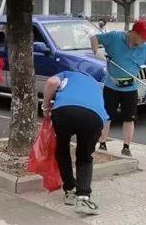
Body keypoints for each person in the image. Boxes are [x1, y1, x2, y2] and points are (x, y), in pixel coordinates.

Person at [90, 19, 146, 156]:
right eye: (143, 37)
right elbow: (94, 38)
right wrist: (95, 51)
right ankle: (102, 142)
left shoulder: (145, 49)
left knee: (129, 118)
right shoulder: (115, 37)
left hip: (131, 88)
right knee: (107, 116)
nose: (145, 41)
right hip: (111, 85)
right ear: (134, 33)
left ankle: (126, 147)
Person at [42, 71, 108, 214]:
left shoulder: (67, 74)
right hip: (94, 117)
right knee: (85, 157)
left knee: (63, 149)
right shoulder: (96, 85)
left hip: (64, 111)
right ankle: (83, 197)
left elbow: (52, 82)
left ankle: (70, 190)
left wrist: (46, 106)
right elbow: (105, 114)